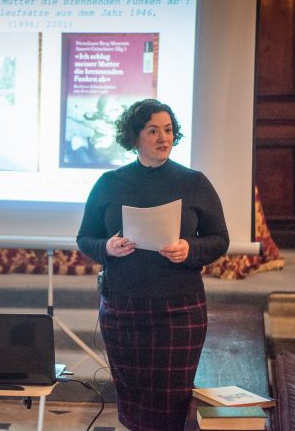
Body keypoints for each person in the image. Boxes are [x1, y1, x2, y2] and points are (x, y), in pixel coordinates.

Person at [76, 99, 229, 431]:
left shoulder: (194, 182)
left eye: (169, 130)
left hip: (179, 309)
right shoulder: (109, 183)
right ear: (134, 138)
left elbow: (220, 239)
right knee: (132, 397)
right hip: (123, 309)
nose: (164, 138)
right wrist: (108, 248)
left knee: (171, 403)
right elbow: (85, 238)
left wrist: (190, 248)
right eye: (153, 131)